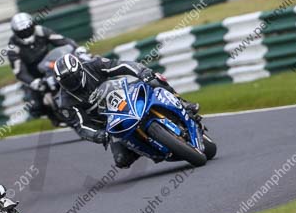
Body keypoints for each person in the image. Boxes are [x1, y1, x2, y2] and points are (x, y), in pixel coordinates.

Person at [53, 52, 200, 169]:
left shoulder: (93, 65)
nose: (71, 83)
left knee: (155, 80)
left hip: (128, 93)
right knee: (121, 161)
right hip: (109, 123)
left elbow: (121, 66)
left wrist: (142, 72)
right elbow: (81, 126)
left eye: (72, 78)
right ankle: (144, 147)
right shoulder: (66, 102)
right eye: (66, 81)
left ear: (79, 70)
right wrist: (98, 135)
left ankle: (184, 104)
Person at [6, 12, 84, 120]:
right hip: (33, 75)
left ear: (32, 25)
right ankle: (53, 115)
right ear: (15, 32)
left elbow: (61, 40)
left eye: (28, 29)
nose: (26, 33)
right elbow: (19, 71)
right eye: (22, 32)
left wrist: (76, 48)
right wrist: (32, 82)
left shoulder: (41, 31)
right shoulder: (13, 48)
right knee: (36, 107)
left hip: (49, 64)